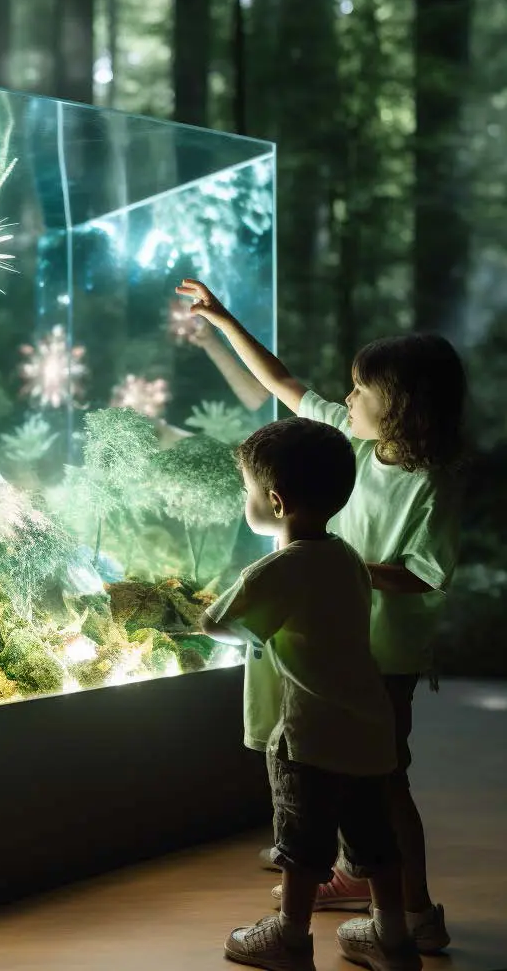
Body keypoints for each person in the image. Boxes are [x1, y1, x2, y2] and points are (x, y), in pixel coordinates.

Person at [178, 277, 465, 956]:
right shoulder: (352, 442)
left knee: (384, 776)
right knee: (342, 760)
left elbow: (426, 574)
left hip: (386, 651)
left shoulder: (432, 483)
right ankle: (353, 876)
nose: (346, 399)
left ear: (396, 407)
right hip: (335, 638)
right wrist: (224, 320)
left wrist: (331, 568)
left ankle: (418, 911)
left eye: (360, 391)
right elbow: (282, 381)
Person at [202, 417, 420, 971]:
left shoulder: (276, 568)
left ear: (274, 502)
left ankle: (291, 940)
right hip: (370, 729)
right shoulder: (347, 556)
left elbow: (217, 621)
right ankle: (392, 938)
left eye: (247, 491)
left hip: (309, 735)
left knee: (301, 843)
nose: (244, 498)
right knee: (374, 842)